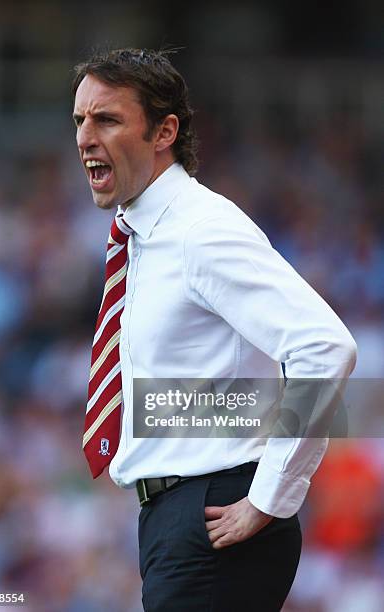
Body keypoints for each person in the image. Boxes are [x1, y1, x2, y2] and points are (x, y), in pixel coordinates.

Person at [72, 48, 357, 612]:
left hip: (215, 516)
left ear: (164, 131)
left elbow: (324, 348)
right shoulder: (143, 236)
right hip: (182, 517)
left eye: (106, 119)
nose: (85, 136)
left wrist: (270, 496)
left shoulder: (200, 231)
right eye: (79, 119)